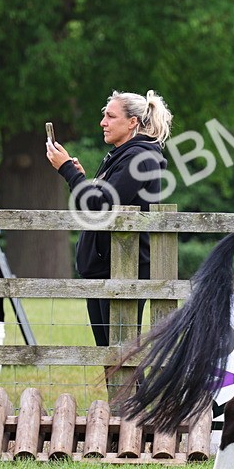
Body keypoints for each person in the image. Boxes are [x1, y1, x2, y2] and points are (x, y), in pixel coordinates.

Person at [46, 90, 172, 347]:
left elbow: (101, 206)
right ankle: (131, 390)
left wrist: (68, 171)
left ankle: (139, 391)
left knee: (120, 353)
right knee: (111, 355)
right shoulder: (124, 155)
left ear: (132, 122)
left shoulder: (139, 158)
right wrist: (82, 178)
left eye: (110, 116)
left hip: (123, 267)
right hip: (108, 267)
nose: (103, 122)